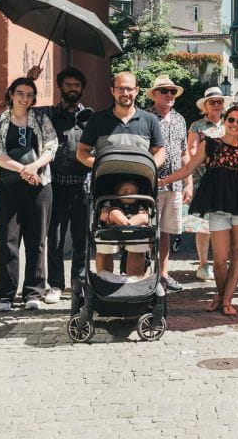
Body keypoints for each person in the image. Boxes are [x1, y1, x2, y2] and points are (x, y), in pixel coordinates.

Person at [161, 105, 238, 317]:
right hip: (217, 205)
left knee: (237, 253)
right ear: (225, 121)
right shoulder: (211, 145)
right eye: (231, 120)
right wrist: (164, 181)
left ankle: (226, 300)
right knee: (221, 258)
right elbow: (188, 168)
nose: (235, 125)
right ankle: (222, 296)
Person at [77, 73, 165, 276]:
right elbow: (81, 152)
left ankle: (134, 288)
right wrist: (100, 166)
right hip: (106, 190)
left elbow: (160, 151)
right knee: (105, 243)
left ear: (136, 90)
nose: (125, 93)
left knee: (138, 243)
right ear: (112, 91)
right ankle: (105, 284)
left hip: (140, 189)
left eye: (128, 88)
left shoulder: (149, 120)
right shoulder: (98, 120)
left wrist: (152, 167)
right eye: (120, 88)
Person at [0, 77, 57, 311]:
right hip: (8, 189)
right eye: (20, 93)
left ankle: (33, 292)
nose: (25, 98)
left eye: (29, 94)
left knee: (37, 240)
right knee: (8, 241)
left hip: (39, 187)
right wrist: (24, 169)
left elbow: (51, 147)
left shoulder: (41, 119)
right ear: (11, 94)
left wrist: (35, 166)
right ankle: (5, 295)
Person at [35, 67, 91, 305]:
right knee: (55, 239)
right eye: (68, 85)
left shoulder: (90, 116)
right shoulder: (47, 114)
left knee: (81, 239)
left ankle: (79, 283)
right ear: (60, 87)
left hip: (83, 187)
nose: (72, 89)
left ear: (81, 89)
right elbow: (18, 106)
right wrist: (30, 79)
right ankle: (56, 285)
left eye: (77, 86)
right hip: (55, 186)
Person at [146, 75, 192, 292]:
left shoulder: (180, 119)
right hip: (151, 184)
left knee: (166, 231)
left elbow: (184, 154)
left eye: (172, 91)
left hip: (174, 186)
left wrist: (188, 183)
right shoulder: (145, 117)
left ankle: (163, 274)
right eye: (164, 91)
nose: (169, 95)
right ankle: (146, 275)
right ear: (154, 94)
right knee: (147, 230)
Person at [187, 87, 229, 281]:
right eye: (213, 102)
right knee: (203, 224)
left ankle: (221, 261)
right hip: (202, 180)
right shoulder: (197, 126)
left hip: (226, 180)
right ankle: (203, 264)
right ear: (205, 105)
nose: (217, 105)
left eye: (220, 101)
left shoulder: (229, 124)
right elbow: (192, 152)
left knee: (224, 222)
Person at [94, 180, 150, 278]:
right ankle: (105, 279)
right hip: (113, 223)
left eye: (133, 193)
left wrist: (143, 216)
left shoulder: (140, 203)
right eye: (124, 192)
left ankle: (128, 224)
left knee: (143, 216)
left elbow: (144, 215)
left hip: (134, 226)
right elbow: (104, 212)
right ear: (117, 193)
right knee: (115, 211)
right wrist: (104, 212)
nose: (128, 194)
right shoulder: (111, 201)